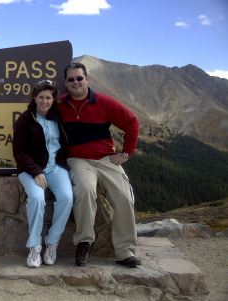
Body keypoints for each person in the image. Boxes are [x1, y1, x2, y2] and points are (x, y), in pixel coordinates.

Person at [57, 63, 141, 268]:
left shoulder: (104, 102)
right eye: (71, 79)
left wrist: (126, 153)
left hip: (106, 159)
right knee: (85, 190)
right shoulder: (59, 104)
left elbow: (132, 123)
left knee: (123, 197)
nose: (75, 82)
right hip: (78, 160)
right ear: (65, 83)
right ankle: (84, 242)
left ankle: (124, 251)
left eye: (79, 78)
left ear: (87, 79)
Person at [13, 80, 74, 268]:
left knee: (66, 197)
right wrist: (36, 172)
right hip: (31, 169)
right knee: (37, 199)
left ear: (53, 99)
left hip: (56, 167)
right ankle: (35, 245)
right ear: (35, 98)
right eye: (41, 97)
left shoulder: (58, 117)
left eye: (48, 98)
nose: (45, 101)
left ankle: (52, 241)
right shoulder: (25, 120)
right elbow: (19, 153)